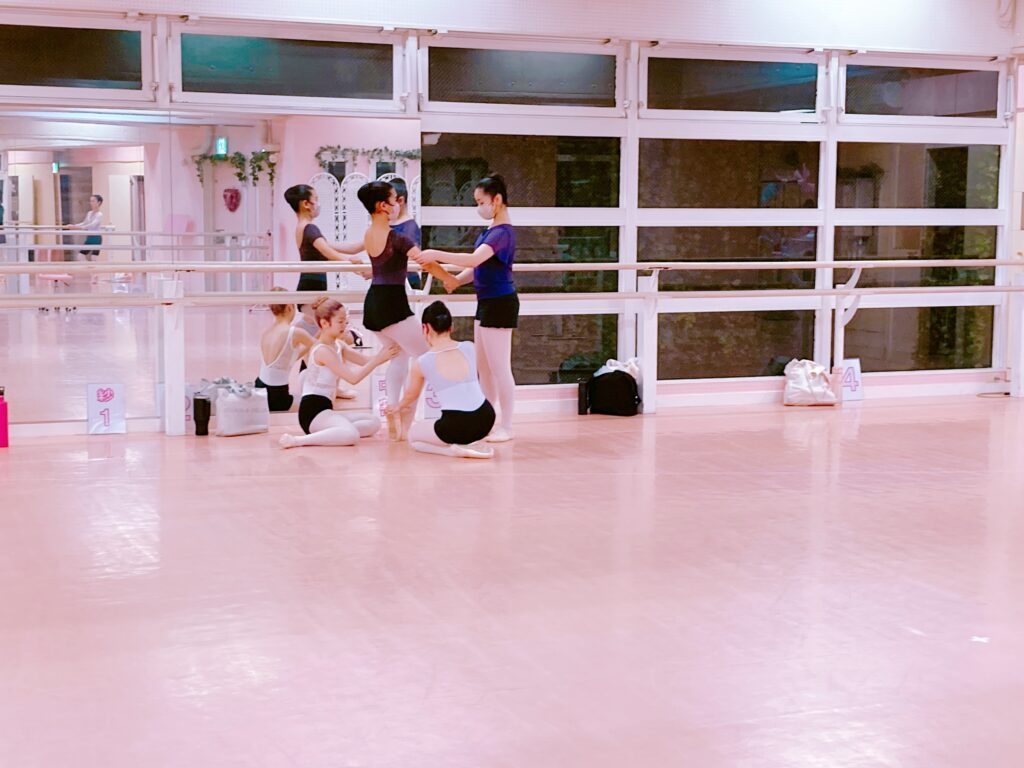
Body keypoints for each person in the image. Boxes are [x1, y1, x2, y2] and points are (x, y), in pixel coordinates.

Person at [415, 175, 517, 443]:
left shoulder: (503, 233)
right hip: (486, 302)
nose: (479, 207)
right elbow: (479, 267)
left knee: (500, 368)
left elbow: (473, 259)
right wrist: (456, 281)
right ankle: (487, 421)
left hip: (500, 303)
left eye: (481, 202)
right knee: (485, 368)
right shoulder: (491, 231)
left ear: (496, 200)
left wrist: (436, 254)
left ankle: (507, 425)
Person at [356, 180, 455, 441]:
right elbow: (425, 262)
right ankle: (431, 415)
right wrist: (448, 278)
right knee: (427, 358)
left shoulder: (369, 234)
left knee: (398, 356)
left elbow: (383, 267)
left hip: (374, 304)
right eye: (394, 199)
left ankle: (393, 411)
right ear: (382, 206)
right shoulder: (398, 239)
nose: (397, 204)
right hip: (393, 305)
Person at [278, 297, 398, 449]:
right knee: (352, 435)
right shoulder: (322, 350)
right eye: (340, 322)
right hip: (313, 413)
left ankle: (335, 431)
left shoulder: (338, 345)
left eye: (345, 321)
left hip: (327, 410)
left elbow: (365, 361)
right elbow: (353, 378)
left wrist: (389, 351)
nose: (345, 325)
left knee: (374, 423)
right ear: (324, 323)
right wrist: (379, 359)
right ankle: (298, 440)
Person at [387, 301, 495, 460]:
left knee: (413, 437)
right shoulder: (469, 347)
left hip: (455, 426)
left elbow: (411, 396)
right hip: (486, 419)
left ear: (425, 328)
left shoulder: (422, 362)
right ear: (451, 327)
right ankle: (467, 442)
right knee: (455, 424)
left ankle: (452, 451)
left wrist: (397, 407)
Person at [283, 184, 365, 296]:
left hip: (312, 284)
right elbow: (327, 251)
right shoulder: (309, 228)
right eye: (316, 199)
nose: (318, 204)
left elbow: (351, 248)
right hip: (312, 286)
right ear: (306, 204)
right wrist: (350, 261)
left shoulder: (302, 228)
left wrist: (370, 241)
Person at [255, 288, 316, 412]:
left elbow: (286, 360)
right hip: (278, 396)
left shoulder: (267, 331)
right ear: (289, 307)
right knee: (314, 404)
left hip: (260, 388)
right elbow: (322, 347)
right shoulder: (295, 332)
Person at [388, 177, 423, 289]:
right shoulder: (388, 224)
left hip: (407, 282)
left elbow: (412, 258)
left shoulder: (409, 227)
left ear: (400, 201)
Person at [67, 194, 103, 260]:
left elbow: (92, 225)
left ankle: (93, 266)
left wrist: (79, 228)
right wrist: (74, 225)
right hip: (89, 238)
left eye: (93, 201)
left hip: (97, 238)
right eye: (90, 201)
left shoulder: (99, 215)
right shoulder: (89, 213)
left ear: (99, 202)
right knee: (80, 256)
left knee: (94, 258)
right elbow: (84, 223)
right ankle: (88, 266)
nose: (91, 203)